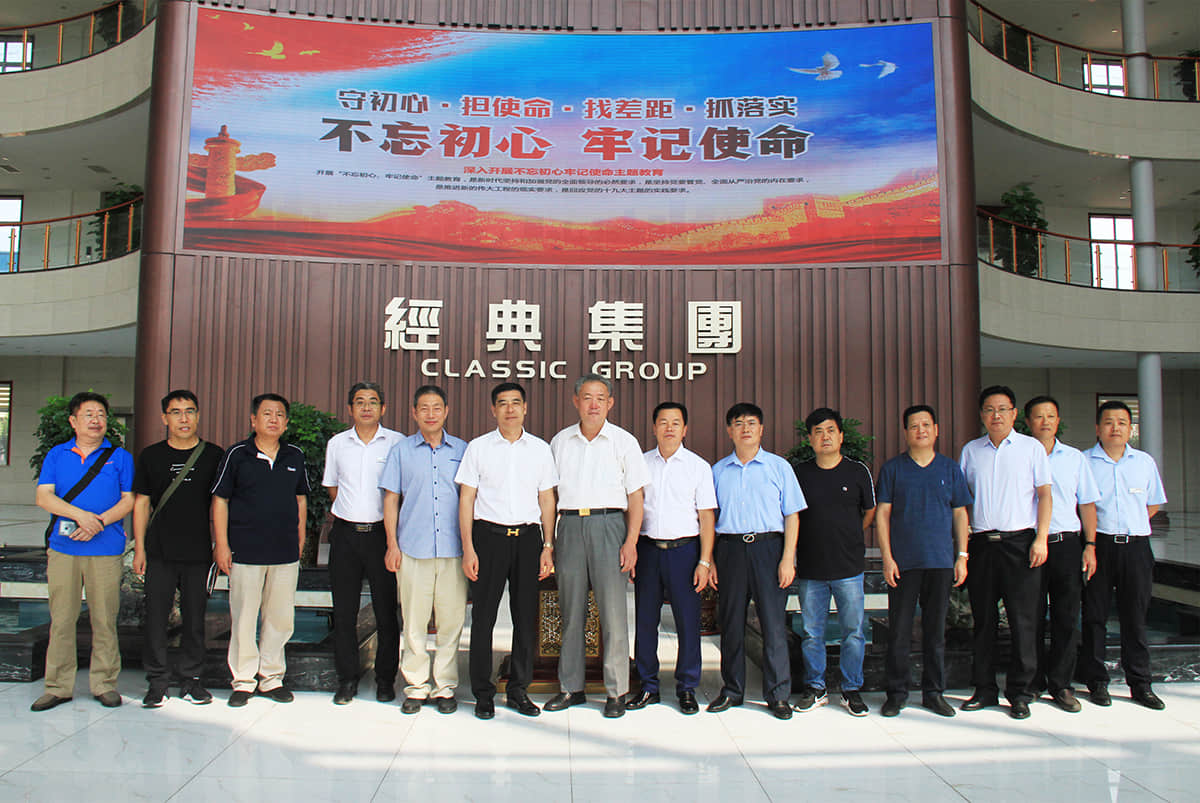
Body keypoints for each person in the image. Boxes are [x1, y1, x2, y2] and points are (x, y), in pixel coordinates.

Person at [544, 375, 650, 719]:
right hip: (570, 525)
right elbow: (549, 495)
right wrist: (549, 541)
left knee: (613, 614)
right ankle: (570, 687)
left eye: (600, 398)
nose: (593, 404)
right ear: (575, 401)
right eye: (587, 397)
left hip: (610, 526)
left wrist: (631, 541)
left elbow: (636, 496)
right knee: (571, 612)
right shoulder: (560, 442)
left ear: (610, 403)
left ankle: (616, 691)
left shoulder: (624, 442)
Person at [456, 382, 557, 720]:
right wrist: (468, 548)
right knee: (483, 618)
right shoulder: (478, 448)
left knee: (525, 619)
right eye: (503, 403)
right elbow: (467, 499)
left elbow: (547, 499)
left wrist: (548, 545)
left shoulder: (540, 449)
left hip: (528, 540)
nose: (510, 409)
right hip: (488, 538)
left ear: (525, 408)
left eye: (516, 403)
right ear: (493, 410)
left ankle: (518, 690)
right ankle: (483, 693)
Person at [32, 391, 134, 711]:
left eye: (101, 414)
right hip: (64, 549)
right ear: (73, 421)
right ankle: (58, 686)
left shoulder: (120, 457)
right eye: (89, 414)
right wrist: (81, 517)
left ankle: (104, 683)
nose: (96, 420)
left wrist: (98, 522)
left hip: (105, 549)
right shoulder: (56, 455)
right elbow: (44, 497)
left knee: (104, 619)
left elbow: (129, 500)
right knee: (62, 619)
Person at [958, 385, 1052, 719]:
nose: (995, 415)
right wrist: (962, 547)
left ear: (1014, 413)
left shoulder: (1031, 448)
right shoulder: (971, 451)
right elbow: (962, 502)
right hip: (982, 544)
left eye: (1002, 409)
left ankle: (1021, 692)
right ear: (981, 415)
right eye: (989, 409)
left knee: (1022, 621)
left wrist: (1041, 538)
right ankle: (984, 689)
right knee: (983, 620)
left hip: (1020, 543)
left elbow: (1045, 495)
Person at [708, 402, 805, 720]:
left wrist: (788, 557)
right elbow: (709, 518)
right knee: (731, 623)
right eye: (738, 423)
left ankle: (778, 694)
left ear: (761, 429)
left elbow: (792, 515)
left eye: (751, 423)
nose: (745, 428)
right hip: (730, 550)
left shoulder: (779, 467)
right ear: (729, 431)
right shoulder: (718, 471)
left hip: (769, 550)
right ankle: (732, 690)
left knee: (774, 626)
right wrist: (710, 560)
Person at [211, 393, 309, 707]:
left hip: (284, 551)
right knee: (243, 617)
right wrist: (222, 545)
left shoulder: (294, 455)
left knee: (280, 618)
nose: (273, 419)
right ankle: (243, 680)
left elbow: (301, 499)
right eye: (267, 414)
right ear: (254, 420)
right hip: (245, 550)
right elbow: (220, 500)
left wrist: (301, 539)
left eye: (279, 414)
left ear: (286, 422)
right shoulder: (237, 454)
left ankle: (271, 678)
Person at [875, 405, 972, 718]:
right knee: (899, 632)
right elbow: (883, 515)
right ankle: (896, 693)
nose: (921, 430)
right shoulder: (893, 469)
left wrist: (962, 556)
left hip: (940, 562)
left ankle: (934, 693)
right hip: (903, 564)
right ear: (906, 432)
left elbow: (960, 513)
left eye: (926, 425)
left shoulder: (949, 469)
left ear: (936, 430)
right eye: (914, 426)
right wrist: (887, 558)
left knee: (935, 632)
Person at [132, 389, 224, 708]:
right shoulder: (151, 456)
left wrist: (221, 545)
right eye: (176, 412)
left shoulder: (214, 455)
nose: (184, 418)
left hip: (198, 552)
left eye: (189, 411)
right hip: (159, 550)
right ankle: (157, 681)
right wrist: (140, 548)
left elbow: (221, 504)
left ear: (198, 415)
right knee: (156, 619)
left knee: (195, 619)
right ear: (164, 418)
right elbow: (141, 503)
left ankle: (191, 679)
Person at [625, 402, 717, 716]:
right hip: (648, 550)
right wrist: (631, 548)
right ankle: (648, 685)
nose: (669, 428)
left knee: (688, 622)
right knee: (645, 620)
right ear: (654, 427)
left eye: (675, 422)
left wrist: (705, 561)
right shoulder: (640, 464)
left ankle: (687, 687)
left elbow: (706, 517)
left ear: (685, 429)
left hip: (685, 552)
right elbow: (631, 509)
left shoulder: (698, 467)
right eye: (663, 422)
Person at [381, 385, 468, 715]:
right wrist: (392, 544)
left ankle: (445, 686)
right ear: (414, 413)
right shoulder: (401, 451)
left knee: (451, 622)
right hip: (412, 550)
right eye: (424, 408)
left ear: (446, 411)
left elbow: (471, 500)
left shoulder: (462, 450)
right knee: (414, 622)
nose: (431, 414)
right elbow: (391, 500)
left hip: (453, 550)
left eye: (437, 408)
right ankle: (416, 686)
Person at [1080, 400, 1168, 710]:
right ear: (1097, 428)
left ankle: (1140, 684)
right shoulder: (1084, 461)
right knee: (1095, 616)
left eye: (1121, 422)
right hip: (1099, 545)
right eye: (1108, 422)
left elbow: (1153, 503)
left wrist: (1132, 523)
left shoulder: (1143, 462)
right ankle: (1097, 682)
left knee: (1135, 617)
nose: (1115, 428)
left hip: (1136, 547)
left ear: (1130, 428)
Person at [322, 382, 403, 705]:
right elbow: (332, 487)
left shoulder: (396, 443)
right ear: (350, 408)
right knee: (344, 612)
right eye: (359, 402)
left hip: (383, 536)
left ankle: (385, 680)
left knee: (386, 612)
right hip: (345, 535)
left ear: (383, 408)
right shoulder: (337, 444)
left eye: (372, 402)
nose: (366, 407)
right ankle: (347, 679)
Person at [792, 408, 876, 716]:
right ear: (810, 439)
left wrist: (849, 535)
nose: (825, 437)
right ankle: (816, 688)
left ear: (840, 436)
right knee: (812, 633)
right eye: (818, 431)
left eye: (830, 430)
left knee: (853, 631)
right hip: (811, 568)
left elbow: (869, 512)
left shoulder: (857, 472)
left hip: (848, 568)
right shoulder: (799, 473)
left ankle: (851, 689)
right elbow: (791, 515)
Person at [1025, 395, 1100, 713]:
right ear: (1027, 421)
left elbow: (1087, 504)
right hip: (1028, 543)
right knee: (1029, 616)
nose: (1045, 421)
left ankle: (1061, 684)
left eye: (1051, 416)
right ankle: (1031, 682)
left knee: (1066, 616)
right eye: (1038, 416)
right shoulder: (1021, 454)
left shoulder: (1074, 458)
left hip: (1066, 543)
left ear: (1058, 421)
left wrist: (1090, 545)